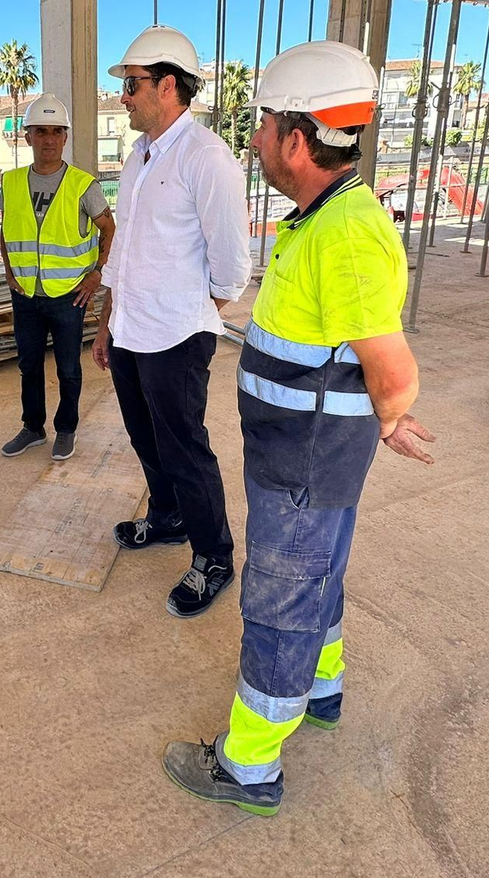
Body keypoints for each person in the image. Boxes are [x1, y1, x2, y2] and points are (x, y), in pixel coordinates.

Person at [162, 41, 435, 814]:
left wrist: (393, 416)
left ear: (295, 137)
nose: (253, 140)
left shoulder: (345, 232)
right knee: (319, 575)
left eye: (264, 124)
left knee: (279, 597)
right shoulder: (322, 218)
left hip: (306, 461)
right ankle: (322, 686)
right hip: (308, 456)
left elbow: (392, 363)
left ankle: (247, 765)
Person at [93, 25, 252, 617]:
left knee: (186, 447)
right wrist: (110, 322)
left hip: (177, 335)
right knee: (144, 435)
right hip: (133, 329)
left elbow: (233, 261)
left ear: (166, 86)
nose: (124, 96)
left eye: (130, 85)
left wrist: (195, 312)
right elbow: (126, 250)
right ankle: (167, 517)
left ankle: (214, 556)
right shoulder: (140, 155)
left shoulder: (206, 157)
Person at [0, 93, 116, 461]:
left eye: (56, 131)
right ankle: (33, 428)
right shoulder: (11, 182)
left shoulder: (83, 185)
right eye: (40, 131)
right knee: (28, 365)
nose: (48, 139)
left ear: (65, 137)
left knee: (68, 368)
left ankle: (66, 430)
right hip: (27, 296)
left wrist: (97, 274)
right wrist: (10, 274)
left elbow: (109, 230)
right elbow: (6, 232)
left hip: (69, 295)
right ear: (28, 136)